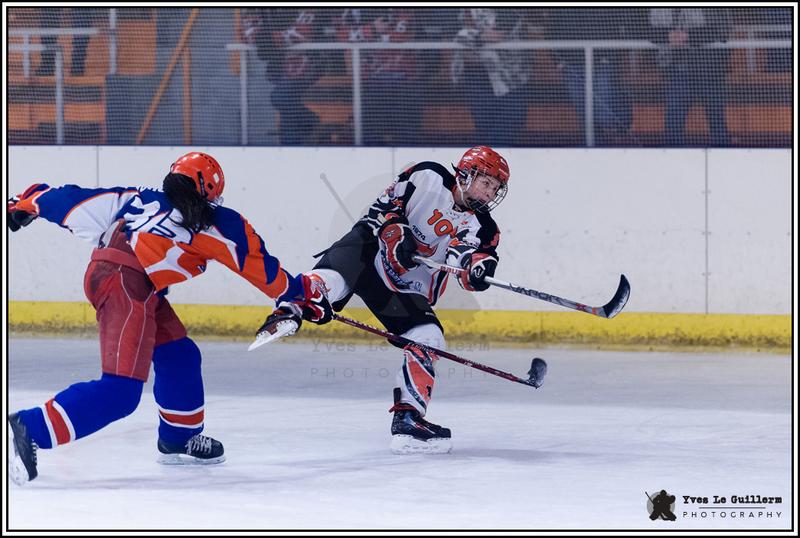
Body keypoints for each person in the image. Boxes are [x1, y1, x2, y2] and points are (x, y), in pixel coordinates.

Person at [7, 152, 331, 485]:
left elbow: (71, 200)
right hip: (125, 287)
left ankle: (178, 436)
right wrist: (298, 293)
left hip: (122, 280)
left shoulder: (138, 199)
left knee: (180, 354)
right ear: (210, 191)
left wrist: (27, 203)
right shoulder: (218, 221)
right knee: (121, 391)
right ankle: (29, 427)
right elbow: (260, 267)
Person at [260, 146, 509, 454]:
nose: (489, 194)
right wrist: (396, 232)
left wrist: (475, 270)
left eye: (495, 189)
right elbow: (383, 209)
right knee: (350, 254)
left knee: (428, 337)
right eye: (486, 183)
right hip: (370, 255)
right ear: (467, 173)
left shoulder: (484, 228)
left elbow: (472, 260)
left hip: (400, 288)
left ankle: (409, 419)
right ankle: (290, 308)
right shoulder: (427, 175)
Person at [547, 8, 637, 145]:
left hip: (601, 62)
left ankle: (610, 146)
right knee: (583, 109)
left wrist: (610, 57)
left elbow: (620, 27)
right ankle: (589, 149)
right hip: (571, 64)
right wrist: (559, 61)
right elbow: (552, 30)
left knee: (603, 109)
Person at [334, 8, 421, 146]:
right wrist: (373, 29)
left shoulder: (403, 10)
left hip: (404, 80)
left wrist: (362, 35)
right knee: (370, 133)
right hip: (369, 81)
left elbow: (400, 38)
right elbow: (342, 37)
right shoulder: (350, 12)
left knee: (406, 134)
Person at [649, 8, 732, 146]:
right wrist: (668, 36)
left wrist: (688, 36)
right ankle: (674, 159)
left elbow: (724, 30)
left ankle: (722, 158)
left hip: (710, 70)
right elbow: (644, 30)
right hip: (677, 69)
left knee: (716, 118)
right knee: (673, 121)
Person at [450, 9, 533, 146]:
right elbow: (455, 35)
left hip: (511, 79)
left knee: (507, 133)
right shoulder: (462, 10)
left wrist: (474, 37)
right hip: (477, 77)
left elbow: (497, 34)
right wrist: (480, 36)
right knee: (485, 134)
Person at [253, 8, 326, 145]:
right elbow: (249, 35)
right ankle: (300, 136)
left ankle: (295, 141)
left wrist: (273, 38)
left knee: (279, 97)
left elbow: (303, 33)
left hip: (310, 65)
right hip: (282, 70)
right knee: (287, 107)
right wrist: (275, 38)